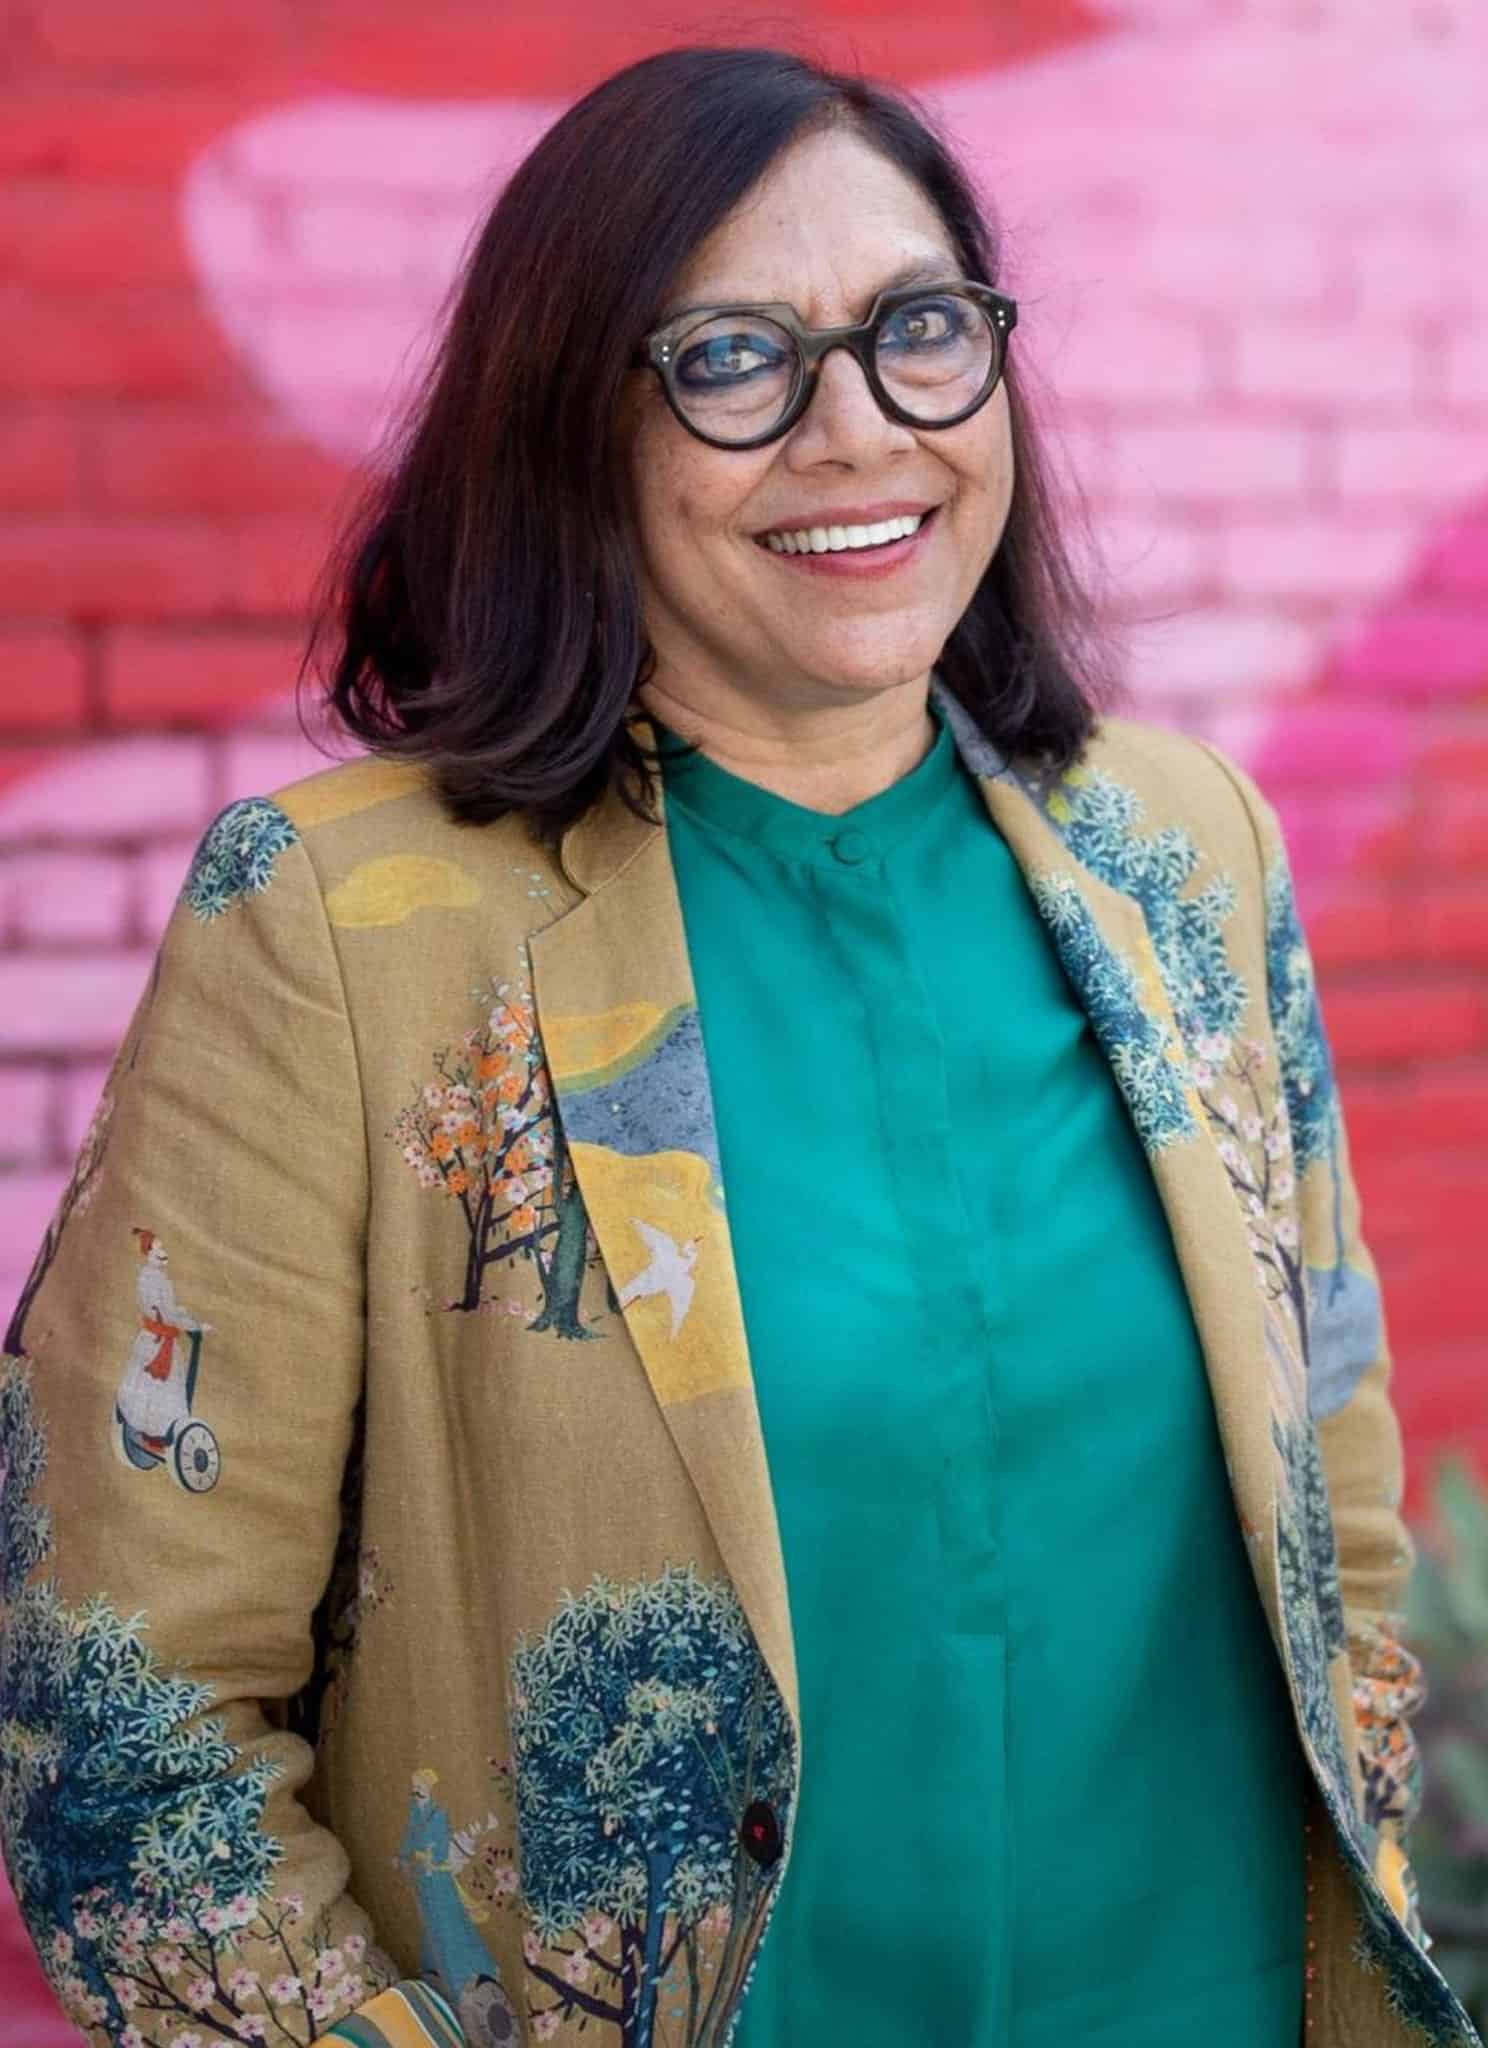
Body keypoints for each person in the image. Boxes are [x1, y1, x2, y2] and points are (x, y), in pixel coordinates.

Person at [0, 42, 1475, 2048]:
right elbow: (117, 1710)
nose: (856, 430)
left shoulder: (1184, 852)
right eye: (731, 360)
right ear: (571, 426)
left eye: (918, 332)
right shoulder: (345, 927)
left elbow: (1344, 1514)